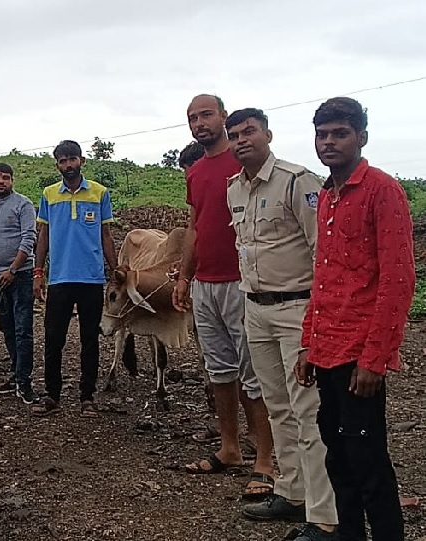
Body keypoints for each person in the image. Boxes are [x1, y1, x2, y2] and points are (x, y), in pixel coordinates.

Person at [296, 97, 414, 541]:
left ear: (361, 137)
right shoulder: (326, 194)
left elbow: (398, 280)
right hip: (326, 349)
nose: (329, 142)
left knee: (368, 461)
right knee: (337, 458)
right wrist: (309, 342)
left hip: (359, 353)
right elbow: (323, 275)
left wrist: (375, 358)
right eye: (322, 134)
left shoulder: (382, 191)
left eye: (339, 133)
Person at [224, 109, 337, 539]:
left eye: (249, 131)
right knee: (277, 406)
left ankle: (324, 518)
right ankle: (292, 494)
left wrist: (317, 321)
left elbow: (320, 254)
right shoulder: (234, 189)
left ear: (267, 134)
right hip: (256, 308)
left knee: (309, 411)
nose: (241, 140)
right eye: (234, 135)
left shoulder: (297, 182)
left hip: (296, 309)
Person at [171, 96, 275, 499]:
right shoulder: (195, 171)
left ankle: (265, 458)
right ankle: (229, 448)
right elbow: (195, 226)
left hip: (243, 282)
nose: (199, 122)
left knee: (254, 373)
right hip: (206, 284)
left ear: (223, 118)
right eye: (192, 118)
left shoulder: (245, 162)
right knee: (219, 370)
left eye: (206, 115)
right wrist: (184, 277)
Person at [29, 140, 117, 417]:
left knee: (90, 339)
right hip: (59, 278)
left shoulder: (99, 193)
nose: (68, 165)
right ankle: (52, 395)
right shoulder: (49, 194)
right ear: (57, 164)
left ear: (82, 161)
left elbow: (105, 236)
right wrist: (38, 271)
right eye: (62, 161)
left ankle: (87, 397)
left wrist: (115, 272)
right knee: (54, 338)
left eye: (72, 159)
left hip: (91, 278)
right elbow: (43, 235)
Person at [0, 162, 38, 404]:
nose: (0, 182)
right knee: (7, 326)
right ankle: (15, 372)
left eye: (4, 178)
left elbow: (29, 238)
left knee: (23, 328)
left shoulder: (23, 205)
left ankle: (25, 381)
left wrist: (12, 269)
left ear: (12, 180)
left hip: (20, 275)